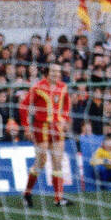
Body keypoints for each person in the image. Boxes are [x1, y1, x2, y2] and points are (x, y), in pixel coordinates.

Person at [18, 62, 72, 207]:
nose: (57, 74)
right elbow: (23, 106)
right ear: (47, 73)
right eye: (54, 71)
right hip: (41, 127)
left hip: (57, 128)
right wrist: (26, 127)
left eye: (58, 71)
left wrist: (65, 119)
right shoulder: (38, 87)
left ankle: (58, 198)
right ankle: (27, 194)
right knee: (40, 162)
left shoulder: (63, 87)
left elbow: (67, 104)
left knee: (57, 162)